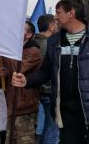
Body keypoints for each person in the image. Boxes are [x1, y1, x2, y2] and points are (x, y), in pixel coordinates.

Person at [12, 0, 89, 144]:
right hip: (67, 113)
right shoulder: (53, 41)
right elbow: (45, 71)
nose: (55, 17)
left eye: (58, 12)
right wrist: (27, 80)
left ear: (71, 13)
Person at [2, 21, 42, 144]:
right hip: (12, 103)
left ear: (29, 35)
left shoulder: (33, 51)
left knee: (25, 139)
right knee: (10, 139)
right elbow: (7, 72)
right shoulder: (17, 50)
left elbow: (17, 70)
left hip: (24, 106)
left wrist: (6, 49)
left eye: (21, 30)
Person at [33, 14, 59, 144]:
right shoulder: (47, 45)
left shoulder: (35, 42)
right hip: (49, 91)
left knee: (47, 128)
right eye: (56, 23)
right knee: (53, 130)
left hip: (41, 91)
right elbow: (48, 70)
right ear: (51, 26)